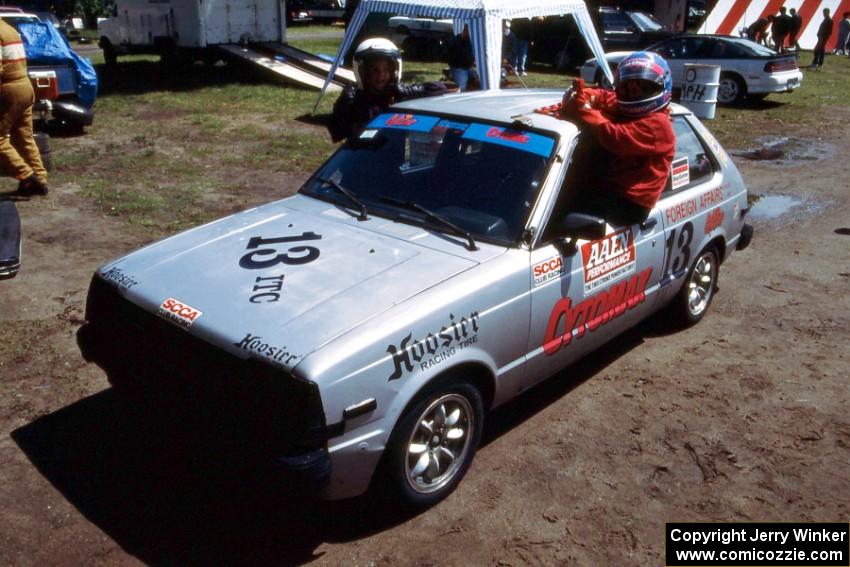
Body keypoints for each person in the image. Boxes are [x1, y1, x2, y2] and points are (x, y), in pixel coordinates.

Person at [558, 51, 676, 225]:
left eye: (643, 88)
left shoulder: (659, 124)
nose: (634, 93)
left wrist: (583, 109)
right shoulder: (626, 103)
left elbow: (613, 137)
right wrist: (587, 95)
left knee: (564, 210)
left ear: (660, 87)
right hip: (613, 187)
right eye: (628, 87)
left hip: (630, 204)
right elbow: (605, 96)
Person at [328, 38, 446, 143]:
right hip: (361, 157)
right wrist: (343, 107)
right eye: (375, 71)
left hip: (391, 159)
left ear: (394, 71)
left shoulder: (397, 94)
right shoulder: (355, 99)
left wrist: (408, 91)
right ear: (364, 72)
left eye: (386, 70)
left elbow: (440, 88)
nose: (381, 76)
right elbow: (336, 133)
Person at [0, 19, 47, 196]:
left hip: (9, 89)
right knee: (24, 137)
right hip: (25, 87)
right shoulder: (10, 30)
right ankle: (40, 179)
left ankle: (26, 176)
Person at [446, 25, 478, 91]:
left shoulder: (471, 40)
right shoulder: (455, 41)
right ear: (465, 30)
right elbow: (451, 57)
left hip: (469, 68)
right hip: (459, 68)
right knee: (461, 89)